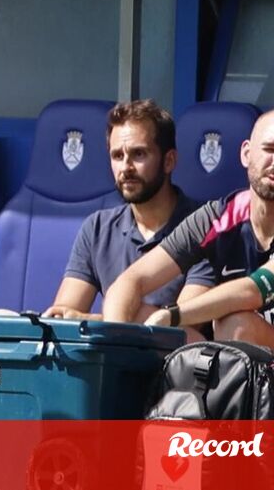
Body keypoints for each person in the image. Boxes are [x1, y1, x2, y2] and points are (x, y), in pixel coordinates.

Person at [42, 100, 213, 338]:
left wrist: (100, 320)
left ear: (169, 161)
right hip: (112, 357)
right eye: (117, 155)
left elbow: (185, 329)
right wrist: (100, 319)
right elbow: (64, 317)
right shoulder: (97, 228)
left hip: (177, 359)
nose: (126, 167)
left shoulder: (205, 227)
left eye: (138, 154)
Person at [104, 110, 274, 347]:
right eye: (269, 149)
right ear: (246, 154)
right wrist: (113, 343)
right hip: (251, 357)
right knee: (134, 310)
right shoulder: (218, 217)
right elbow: (132, 280)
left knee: (234, 323)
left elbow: (252, 290)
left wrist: (172, 315)